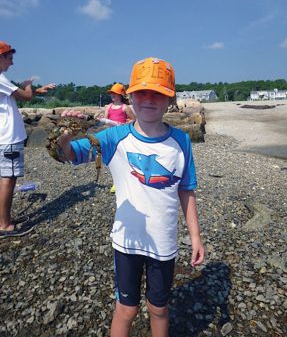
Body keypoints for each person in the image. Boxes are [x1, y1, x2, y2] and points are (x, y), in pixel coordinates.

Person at [56, 57, 205, 337]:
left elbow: (186, 189)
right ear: (130, 97)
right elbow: (69, 154)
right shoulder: (114, 139)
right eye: (142, 92)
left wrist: (195, 236)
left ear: (169, 99)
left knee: (159, 308)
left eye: (158, 93)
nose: (149, 99)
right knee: (126, 309)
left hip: (164, 243)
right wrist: (64, 136)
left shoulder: (181, 141)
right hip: (126, 243)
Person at [0, 40, 56, 238]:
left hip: (5, 138)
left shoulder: (2, 81)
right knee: (9, 179)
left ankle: (4, 218)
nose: (12, 63)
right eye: (9, 58)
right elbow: (25, 96)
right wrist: (28, 85)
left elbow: (13, 96)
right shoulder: (0, 79)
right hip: (8, 138)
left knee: (7, 178)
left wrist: (37, 90)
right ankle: (5, 225)